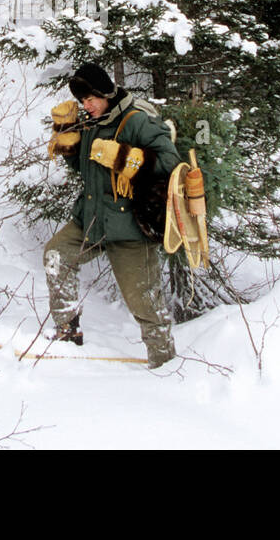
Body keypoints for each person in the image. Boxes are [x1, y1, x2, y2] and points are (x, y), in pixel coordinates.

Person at [44, 62, 181, 368]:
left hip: (129, 228)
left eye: (91, 98)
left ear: (106, 92)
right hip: (91, 220)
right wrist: (68, 139)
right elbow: (85, 169)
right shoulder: (92, 123)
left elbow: (171, 163)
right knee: (56, 255)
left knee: (144, 302)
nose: (87, 105)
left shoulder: (137, 120)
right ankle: (67, 330)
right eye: (82, 100)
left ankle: (164, 362)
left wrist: (123, 158)